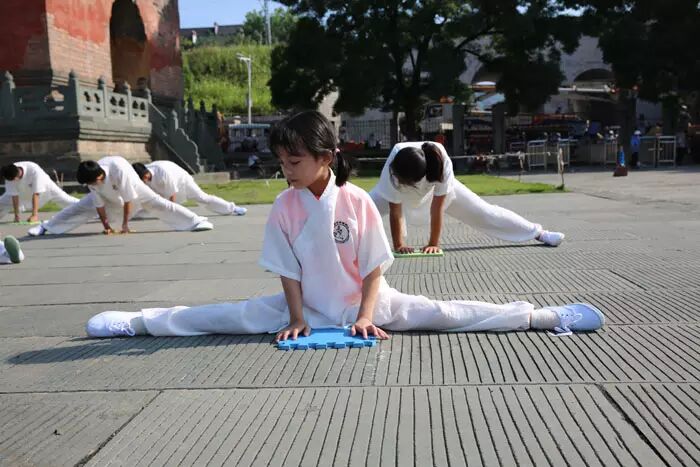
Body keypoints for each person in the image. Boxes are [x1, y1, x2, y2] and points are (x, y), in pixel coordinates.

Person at [85, 111, 604, 340]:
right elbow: (288, 271)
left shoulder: (357, 201)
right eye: (281, 162)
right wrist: (295, 318)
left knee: (444, 312)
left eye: (294, 162)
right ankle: (140, 322)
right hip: (306, 306)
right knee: (222, 316)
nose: (285, 171)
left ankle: (540, 317)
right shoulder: (284, 206)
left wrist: (367, 316)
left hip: (368, 304)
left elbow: (375, 268)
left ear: (325, 158)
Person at [369, 142, 565, 254]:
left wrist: (433, 243)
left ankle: (539, 233)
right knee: (361, 209)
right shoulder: (394, 166)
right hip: (396, 192)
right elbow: (396, 211)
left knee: (485, 213)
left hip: (434, 190)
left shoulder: (440, 161)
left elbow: (437, 208)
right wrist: (399, 245)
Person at [28, 156, 213, 236]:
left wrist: (125, 225)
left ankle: (196, 221)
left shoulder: (118, 169)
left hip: (135, 189)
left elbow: (128, 200)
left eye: (94, 182)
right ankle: (46, 226)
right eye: (90, 184)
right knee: (78, 208)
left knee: (160, 204)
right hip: (109, 195)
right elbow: (98, 205)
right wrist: (106, 226)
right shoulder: (92, 180)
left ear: (100, 175)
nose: (93, 186)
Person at [132, 161, 247, 216]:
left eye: (143, 179)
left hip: (183, 181)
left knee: (202, 198)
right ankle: (135, 215)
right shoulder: (142, 174)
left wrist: (174, 213)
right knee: (149, 201)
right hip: (163, 186)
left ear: (146, 174)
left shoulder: (163, 173)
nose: (143, 182)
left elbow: (172, 195)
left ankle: (232, 208)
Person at [0, 161, 79, 223]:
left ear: (16, 176)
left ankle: (87, 207)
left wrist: (34, 215)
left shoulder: (34, 170)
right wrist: (16, 215)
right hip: (22, 192)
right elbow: (14, 196)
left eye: (12, 180)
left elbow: (36, 194)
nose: (11, 182)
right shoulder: (9, 173)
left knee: (67, 200)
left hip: (47, 188)